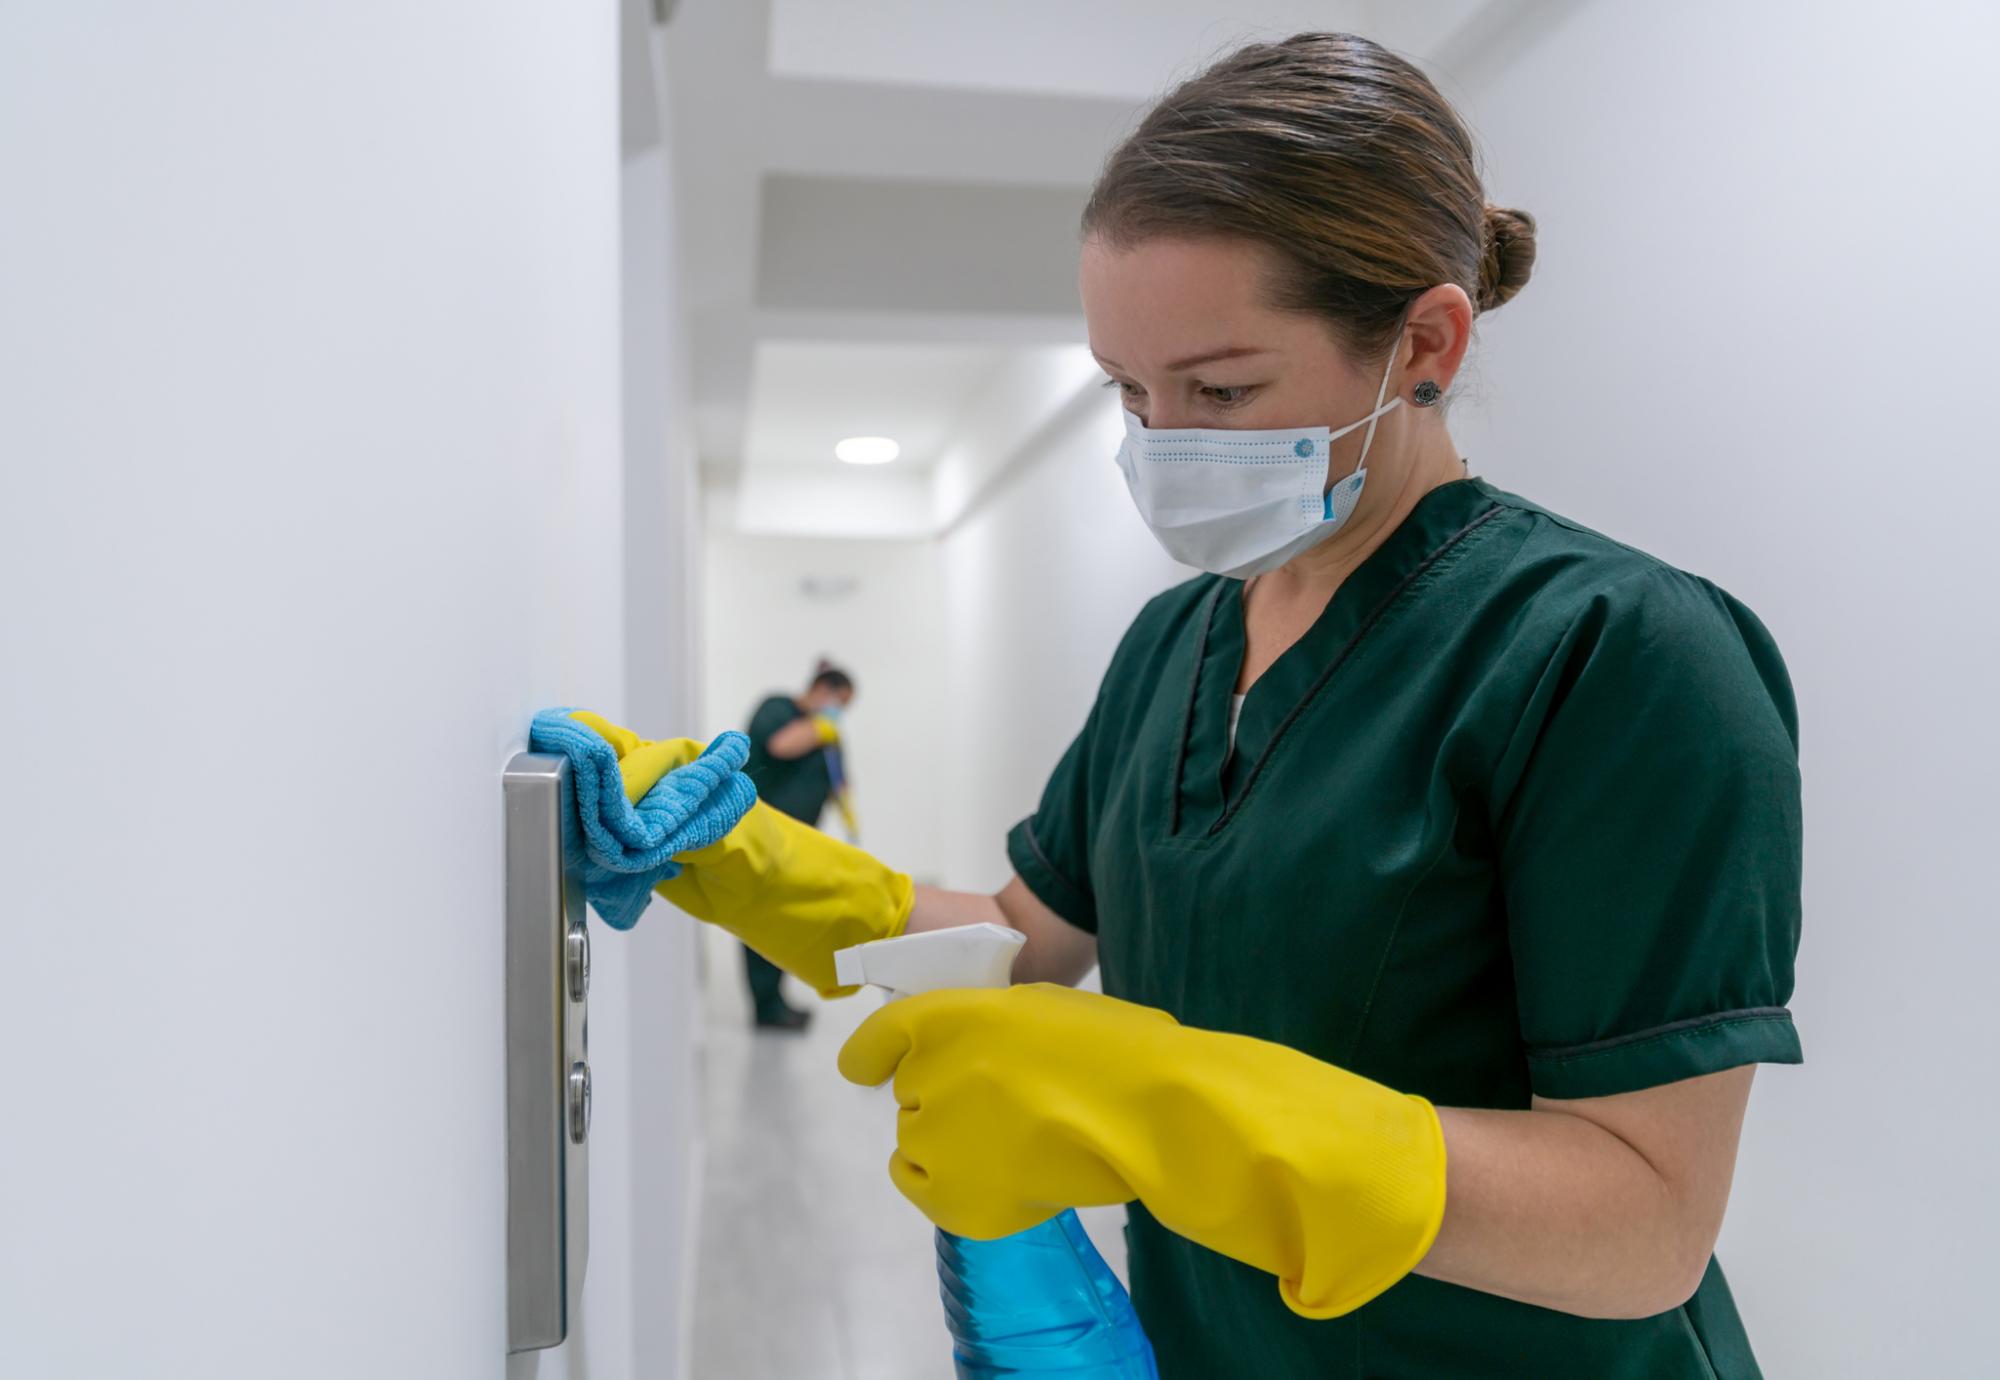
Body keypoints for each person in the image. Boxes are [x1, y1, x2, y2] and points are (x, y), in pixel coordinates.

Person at [581, 31, 1802, 1380]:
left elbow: (1643, 1222)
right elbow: (1022, 940)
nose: (1162, 444)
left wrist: (1166, 1104)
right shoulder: (1177, 644)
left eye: (1222, 390)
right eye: (1129, 392)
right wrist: (738, 854)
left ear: (1427, 344)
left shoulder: (1615, 656)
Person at [735, 660, 856, 1031]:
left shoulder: (826, 732)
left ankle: (777, 999)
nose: (840, 712)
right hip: (762, 837)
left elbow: (837, 778)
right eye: (840, 701)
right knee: (760, 919)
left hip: (796, 843)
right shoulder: (777, 708)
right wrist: (823, 727)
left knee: (784, 921)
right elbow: (780, 745)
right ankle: (765, 1008)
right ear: (823, 689)